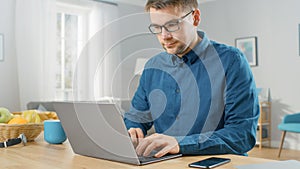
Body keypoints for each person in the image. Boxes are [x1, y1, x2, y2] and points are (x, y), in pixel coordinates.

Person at [124, 0, 259, 158]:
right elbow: (137, 116)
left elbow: (242, 135)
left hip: (219, 164)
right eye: (157, 28)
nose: (164, 36)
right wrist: (134, 129)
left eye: (172, 25)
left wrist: (180, 144)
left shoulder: (232, 61)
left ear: (195, 18)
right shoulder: (152, 66)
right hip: (166, 164)